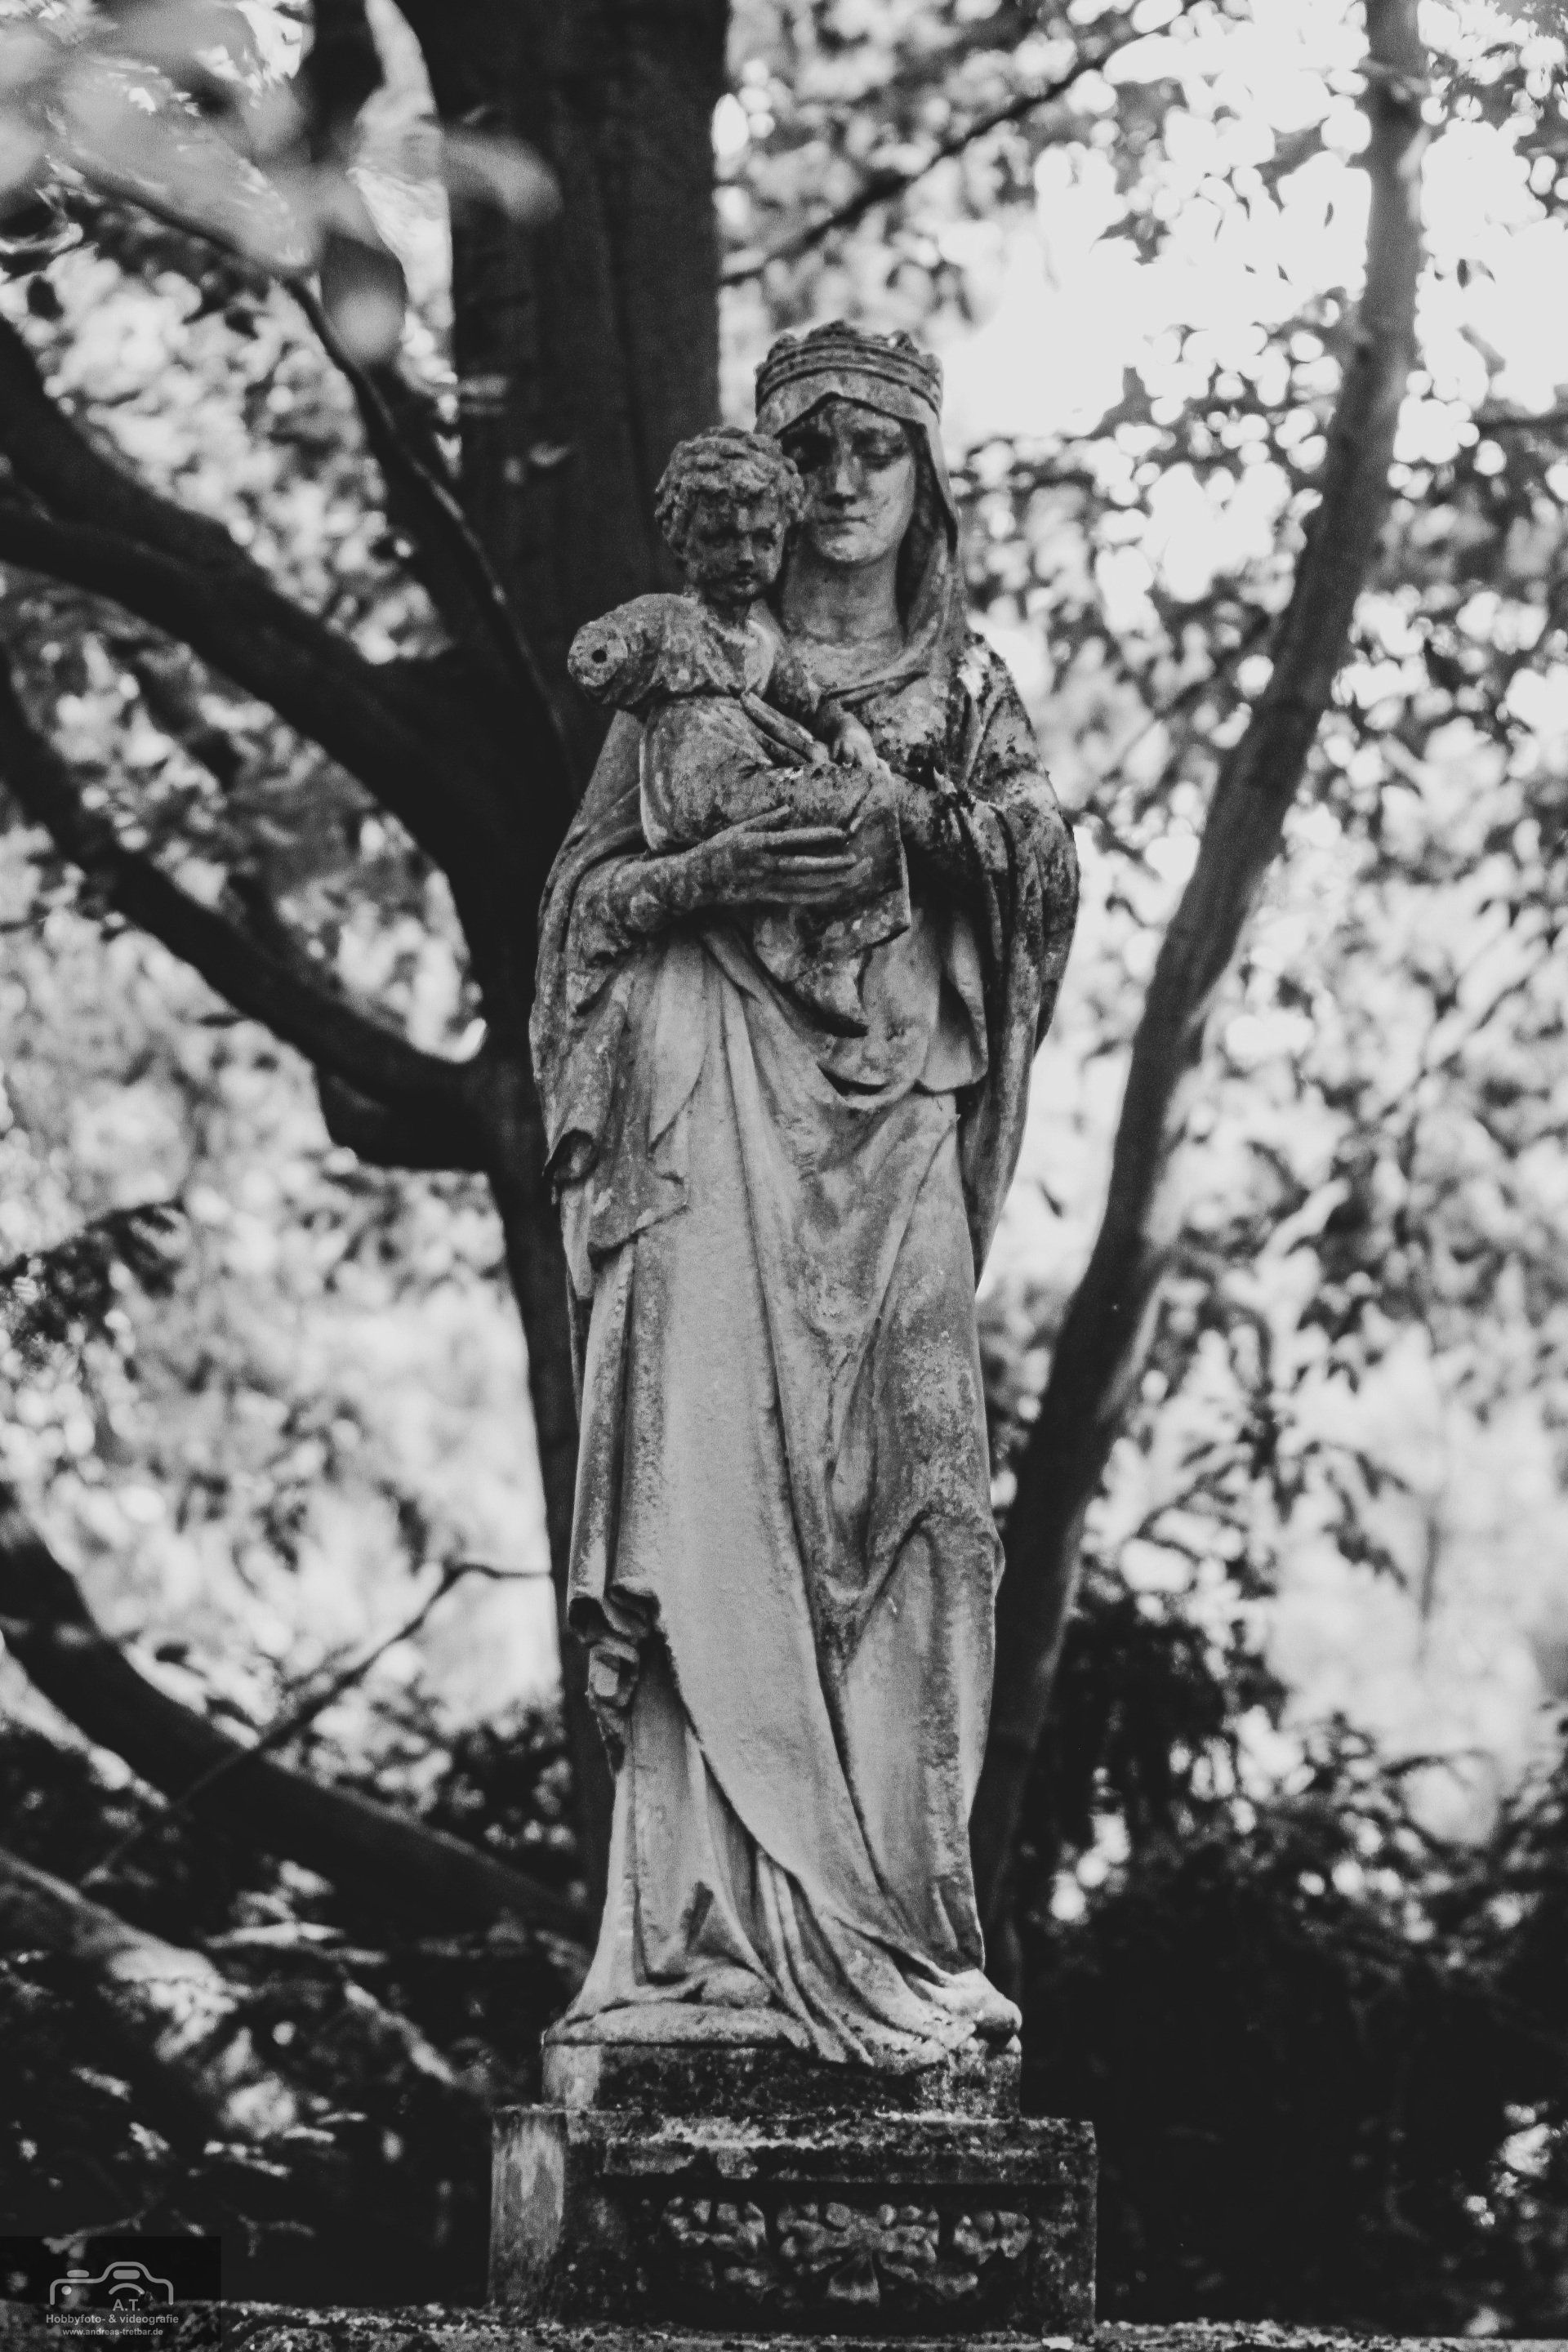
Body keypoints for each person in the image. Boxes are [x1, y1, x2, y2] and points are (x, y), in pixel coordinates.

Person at [531, 321, 1079, 2067]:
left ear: (927, 478)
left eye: (876, 447)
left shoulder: (967, 693)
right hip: (716, 1134)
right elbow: (585, 913)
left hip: (898, 1125)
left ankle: (900, 1931)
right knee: (715, 1498)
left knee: (934, 1503)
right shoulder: (682, 666)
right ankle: (712, 1944)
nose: (843, 481)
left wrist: (919, 826)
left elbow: (1040, 875)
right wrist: (711, 869)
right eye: (813, 449)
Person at [568, 425, 908, 1036]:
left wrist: (848, 729)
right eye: (722, 538)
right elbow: (607, 646)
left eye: (763, 538)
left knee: (870, 795)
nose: (746, 556)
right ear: (684, 541)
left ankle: (829, 956)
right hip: (692, 798)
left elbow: (813, 703)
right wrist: (606, 659)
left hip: (750, 787)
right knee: (824, 803)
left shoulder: (762, 646)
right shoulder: (671, 622)